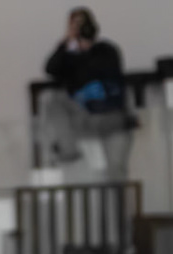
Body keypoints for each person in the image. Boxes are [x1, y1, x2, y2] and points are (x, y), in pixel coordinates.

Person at [40, 7, 134, 179]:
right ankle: (69, 151)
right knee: (53, 100)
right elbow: (50, 69)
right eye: (75, 25)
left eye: (83, 23)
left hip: (111, 117)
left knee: (116, 173)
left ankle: (119, 197)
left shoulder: (106, 50)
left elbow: (102, 69)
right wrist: (67, 42)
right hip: (83, 116)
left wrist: (85, 47)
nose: (81, 28)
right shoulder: (68, 55)